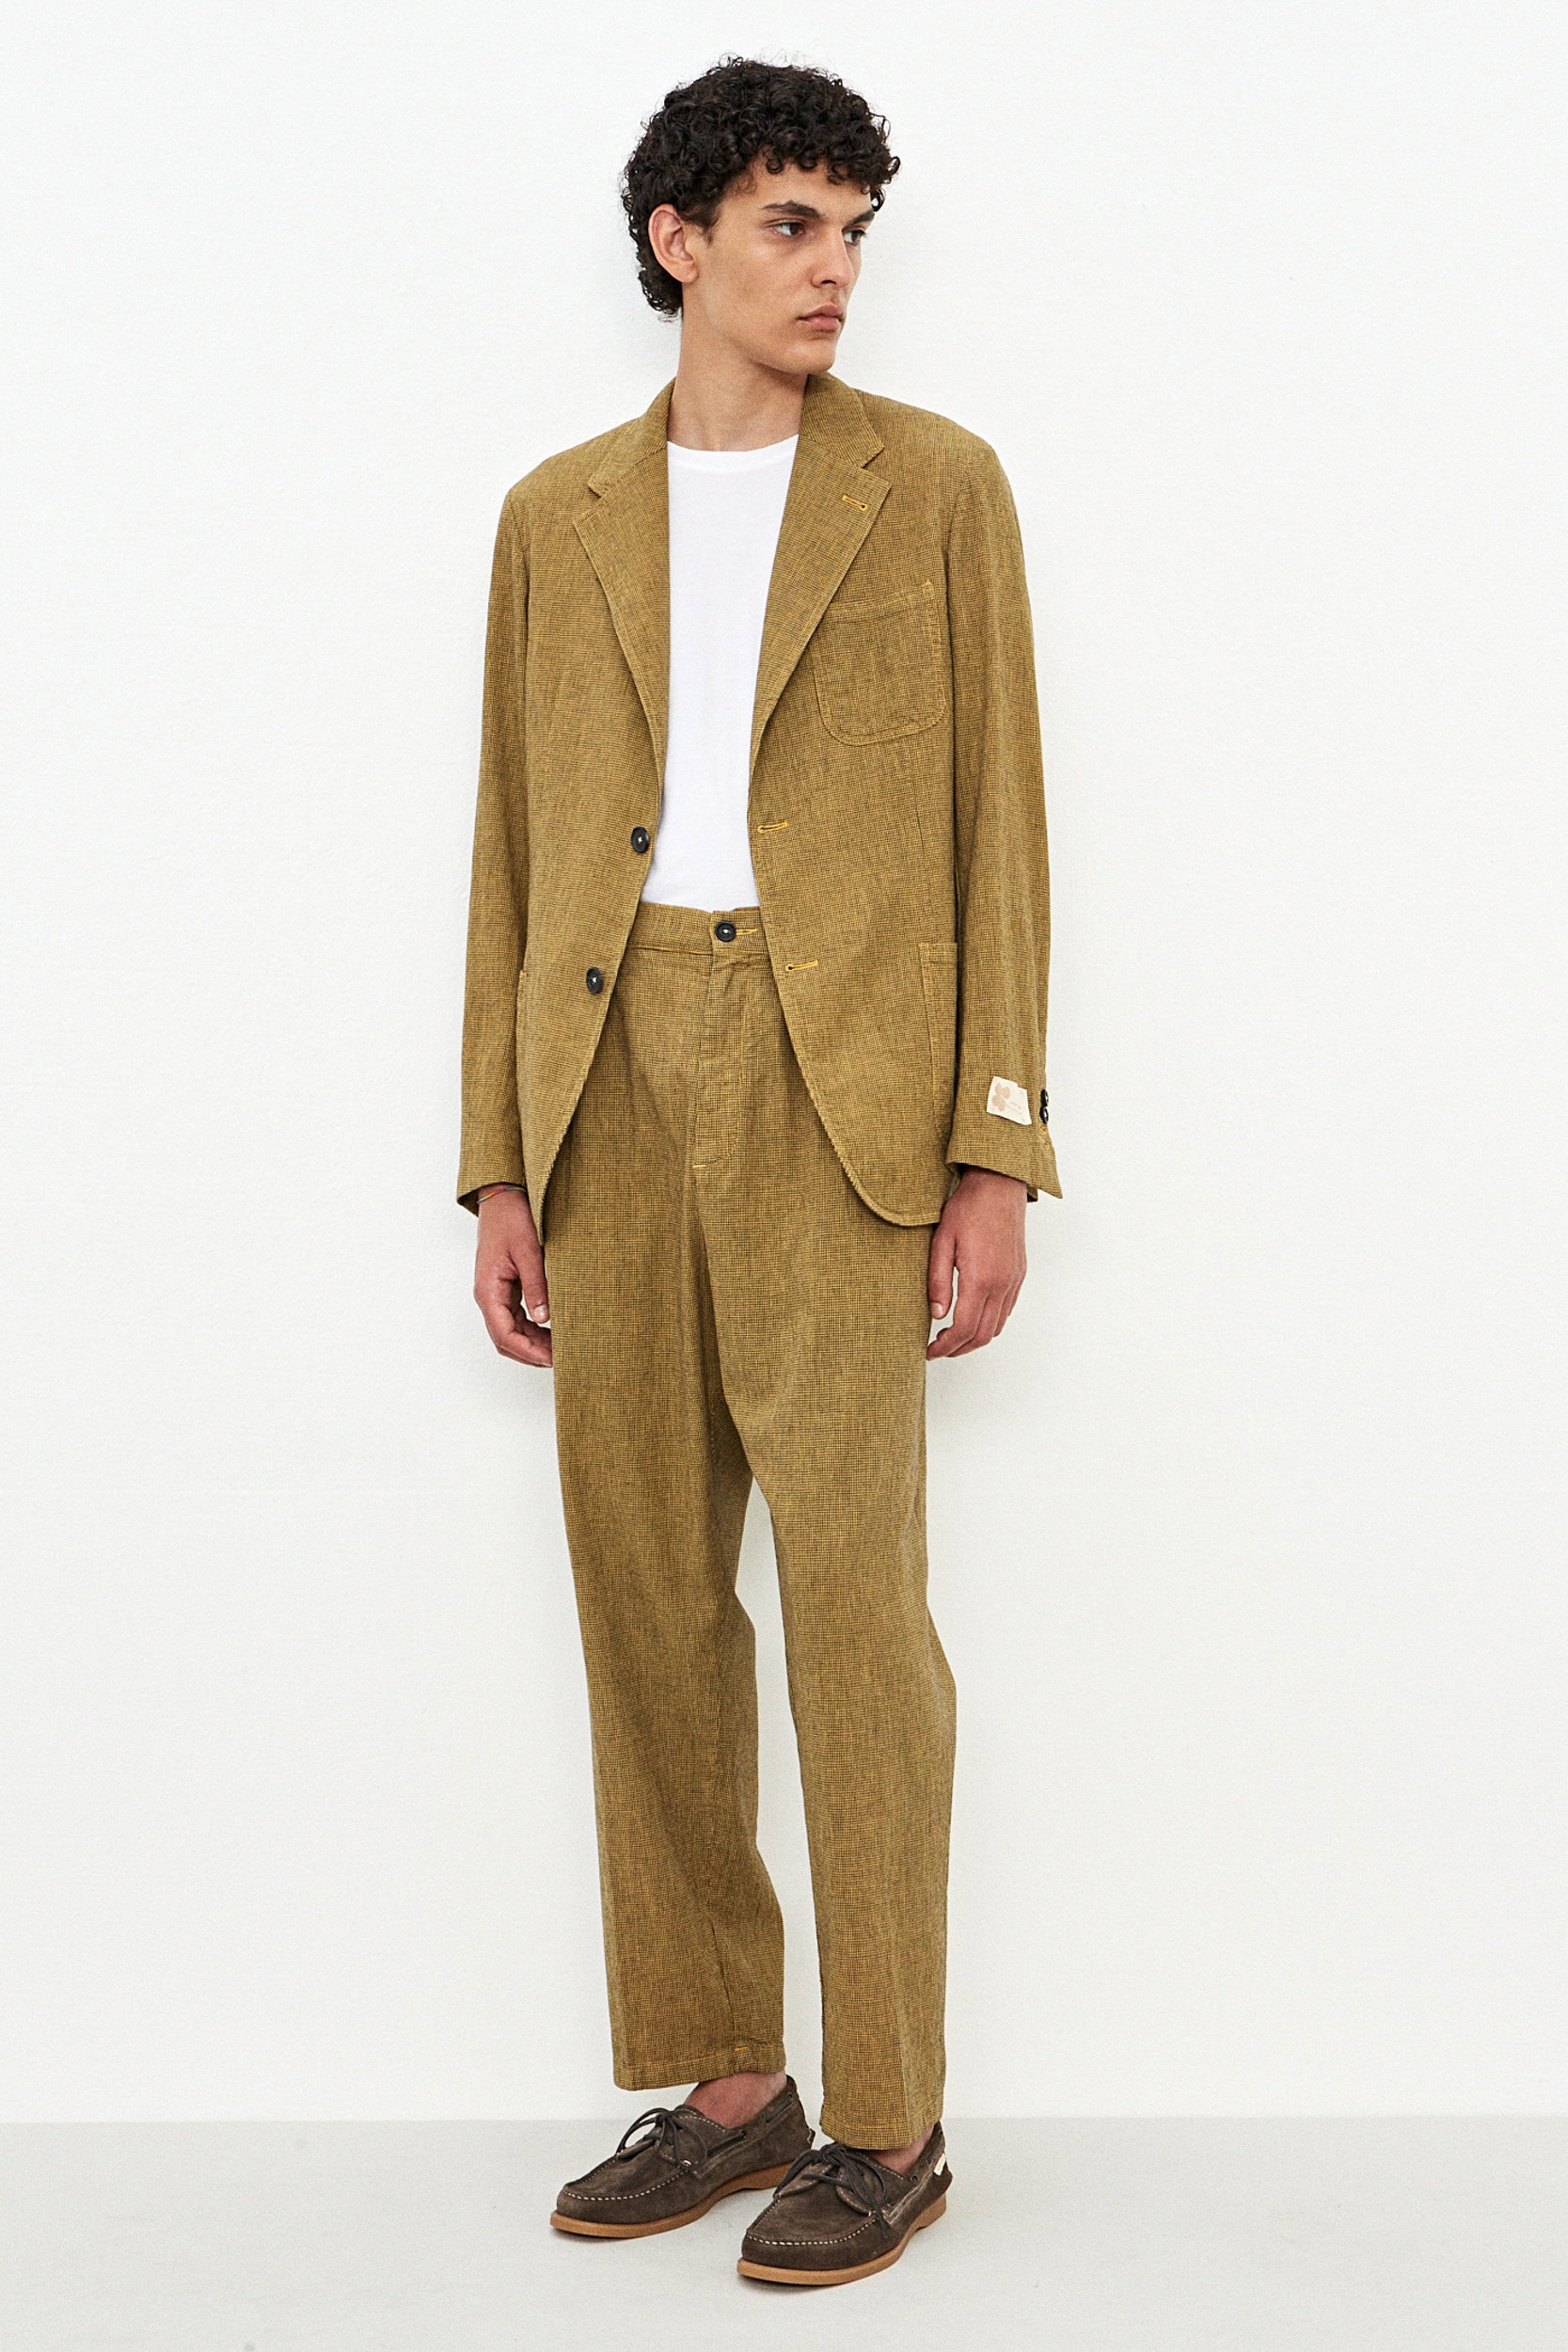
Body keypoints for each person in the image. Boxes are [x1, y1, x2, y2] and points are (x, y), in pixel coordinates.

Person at [457, 56, 1060, 2290]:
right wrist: (496, 1162)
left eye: (853, 232)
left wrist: (994, 1143)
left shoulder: (938, 488)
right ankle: (733, 2085)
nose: (834, 271)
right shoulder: (556, 515)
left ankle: (888, 2114)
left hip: (844, 1089)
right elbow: (511, 851)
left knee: (856, 1613)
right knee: (643, 1596)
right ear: (678, 240)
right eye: (794, 224)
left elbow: (1002, 825)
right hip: (607, 1074)